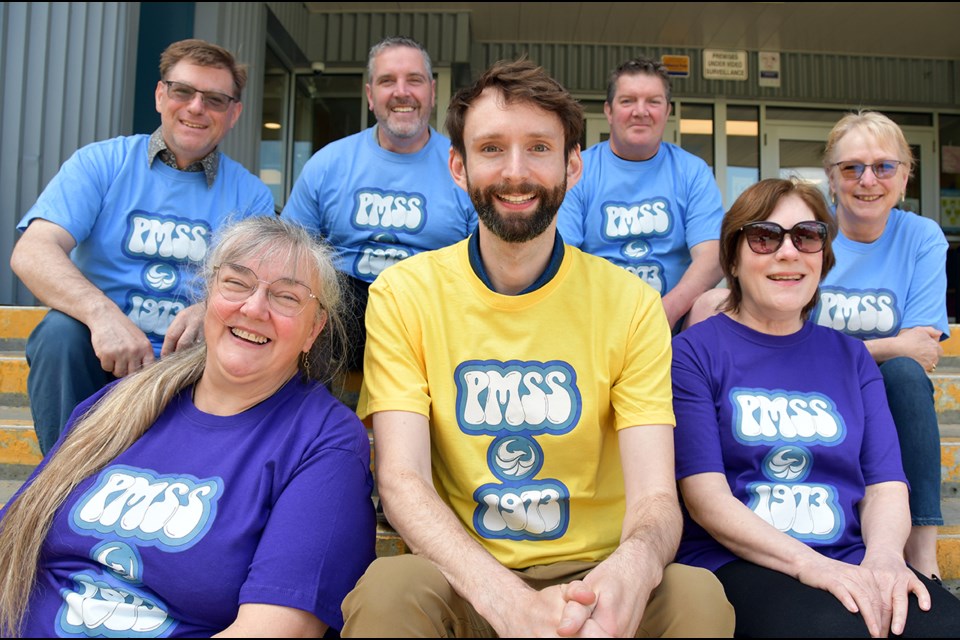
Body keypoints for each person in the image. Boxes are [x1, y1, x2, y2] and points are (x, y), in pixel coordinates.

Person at [340, 57, 734, 638]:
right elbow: (402, 481)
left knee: (697, 596)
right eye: (492, 148)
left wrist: (631, 571)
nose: (516, 173)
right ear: (458, 165)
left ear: (574, 166)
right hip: (468, 575)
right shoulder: (406, 293)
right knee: (388, 590)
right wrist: (509, 602)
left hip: (595, 577)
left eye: (540, 149)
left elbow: (655, 498)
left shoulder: (631, 304)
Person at [0, 216, 376, 638]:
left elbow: (276, 629)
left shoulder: (323, 440)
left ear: (313, 329)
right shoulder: (119, 405)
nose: (253, 308)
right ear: (208, 295)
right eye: (237, 283)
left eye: (286, 296)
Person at [671, 178, 960, 638]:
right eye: (764, 237)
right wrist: (811, 566)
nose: (788, 252)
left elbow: (885, 486)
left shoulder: (851, 357)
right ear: (733, 258)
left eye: (806, 236)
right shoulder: (693, 353)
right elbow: (707, 500)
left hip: (848, 554)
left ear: (822, 258)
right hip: (737, 561)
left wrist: (884, 560)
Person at [10, 38, 274, 456]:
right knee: (58, 334)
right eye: (182, 91)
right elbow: (32, 251)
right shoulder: (100, 163)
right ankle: (61, 482)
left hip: (193, 365)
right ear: (160, 95)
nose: (195, 108)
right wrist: (102, 315)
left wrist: (209, 310)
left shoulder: (252, 195)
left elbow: (258, 286)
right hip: (100, 355)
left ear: (234, 113)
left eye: (214, 99)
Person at [281, 36, 477, 373]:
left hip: (430, 308)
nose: (402, 92)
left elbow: (486, 263)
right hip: (345, 313)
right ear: (370, 95)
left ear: (431, 92)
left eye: (413, 80)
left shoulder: (464, 167)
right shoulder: (329, 164)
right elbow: (287, 253)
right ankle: (313, 416)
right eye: (388, 81)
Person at [816, 110, 949, 581]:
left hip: (883, 393)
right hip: (809, 384)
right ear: (832, 178)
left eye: (883, 167)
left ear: (906, 175)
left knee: (906, 377)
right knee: (898, 366)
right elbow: (787, 344)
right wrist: (891, 344)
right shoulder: (810, 235)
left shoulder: (921, 237)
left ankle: (924, 560)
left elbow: (924, 349)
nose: (867, 180)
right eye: (851, 168)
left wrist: (834, 347)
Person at [557, 56, 724, 331]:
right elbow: (563, 256)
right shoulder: (578, 171)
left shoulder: (691, 171)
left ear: (667, 111)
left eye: (653, 102)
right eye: (628, 101)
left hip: (673, 321)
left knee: (718, 303)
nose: (641, 111)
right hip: (595, 322)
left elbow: (712, 256)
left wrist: (665, 312)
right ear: (609, 111)